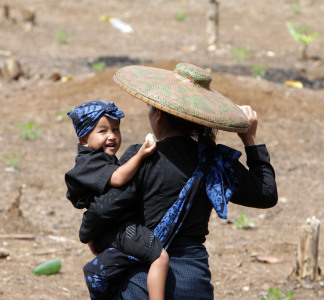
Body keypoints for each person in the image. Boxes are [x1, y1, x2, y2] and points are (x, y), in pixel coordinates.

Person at [78, 63, 278, 299]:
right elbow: (266, 193)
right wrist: (250, 138)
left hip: (140, 282)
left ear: (159, 115)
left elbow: (105, 209)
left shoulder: (142, 157)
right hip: (194, 282)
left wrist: (89, 234)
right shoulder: (216, 161)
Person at [65, 100, 169, 300]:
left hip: (109, 228)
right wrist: (139, 156)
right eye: (102, 131)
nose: (112, 136)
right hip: (118, 228)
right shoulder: (89, 162)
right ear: (84, 137)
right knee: (160, 257)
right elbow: (119, 178)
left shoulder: (99, 158)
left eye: (116, 129)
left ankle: (97, 274)